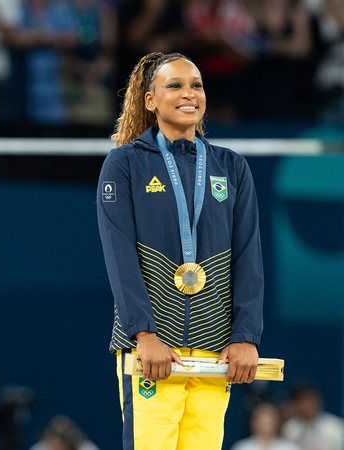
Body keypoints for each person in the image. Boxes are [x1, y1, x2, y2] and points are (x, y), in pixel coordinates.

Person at [97, 52, 263, 450]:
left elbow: (248, 256)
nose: (189, 94)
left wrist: (246, 336)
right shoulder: (124, 165)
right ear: (150, 100)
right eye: (175, 85)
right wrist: (144, 334)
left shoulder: (231, 167)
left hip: (215, 349)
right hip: (153, 349)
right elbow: (119, 258)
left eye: (196, 85)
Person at [281, 383, 344, 450]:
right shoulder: (289, 428)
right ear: (295, 403)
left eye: (311, 399)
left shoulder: (336, 427)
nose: (307, 405)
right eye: (302, 400)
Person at [230, 400, 298, 450]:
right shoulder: (241, 447)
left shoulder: (289, 447)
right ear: (253, 423)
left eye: (269, 422)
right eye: (261, 422)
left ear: (277, 422)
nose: (265, 426)